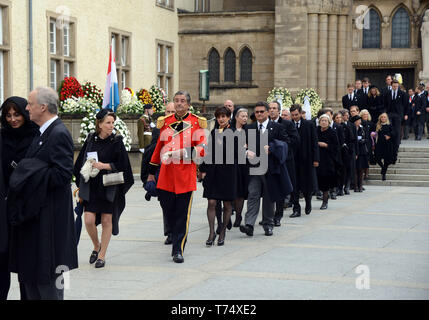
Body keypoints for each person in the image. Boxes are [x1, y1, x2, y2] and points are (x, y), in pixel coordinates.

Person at [7, 87, 78, 300]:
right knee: (34, 281)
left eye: (30, 104)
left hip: (52, 223)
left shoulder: (59, 133)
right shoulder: (42, 132)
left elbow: (63, 175)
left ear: (43, 107)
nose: (27, 108)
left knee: (51, 282)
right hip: (38, 221)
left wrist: (28, 172)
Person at [147, 91, 207, 263]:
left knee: (182, 214)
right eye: (176, 101)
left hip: (185, 176)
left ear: (188, 104)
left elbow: (202, 149)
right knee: (169, 211)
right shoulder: (165, 122)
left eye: (182, 101)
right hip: (166, 176)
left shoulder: (196, 123)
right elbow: (158, 148)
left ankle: (178, 249)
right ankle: (173, 236)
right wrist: (151, 173)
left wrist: (184, 153)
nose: (179, 104)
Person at [73, 109, 134, 269]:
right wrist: (83, 175)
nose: (111, 126)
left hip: (109, 186)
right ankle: (96, 245)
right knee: (88, 220)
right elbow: (80, 161)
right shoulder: (91, 139)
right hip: (92, 185)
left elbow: (124, 166)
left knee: (107, 221)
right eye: (108, 122)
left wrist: (104, 166)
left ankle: (102, 255)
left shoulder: (117, 141)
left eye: (113, 122)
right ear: (99, 124)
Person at [0, 97, 38, 300]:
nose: (13, 119)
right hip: (4, 208)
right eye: (8, 115)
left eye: (17, 115)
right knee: (2, 261)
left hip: (25, 209)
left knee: (25, 265)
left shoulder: (35, 137)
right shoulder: (2, 137)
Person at [240, 102, 291, 237]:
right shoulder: (249, 128)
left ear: (268, 112)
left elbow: (286, 144)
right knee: (253, 195)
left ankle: (268, 224)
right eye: (257, 112)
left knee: (269, 197)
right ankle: (249, 224)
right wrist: (245, 151)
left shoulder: (278, 127)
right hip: (254, 168)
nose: (259, 114)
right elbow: (240, 145)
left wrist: (273, 148)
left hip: (271, 169)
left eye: (262, 111)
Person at [199, 107, 237, 246]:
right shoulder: (214, 132)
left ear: (228, 117)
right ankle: (211, 232)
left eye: (223, 116)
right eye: (219, 117)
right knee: (211, 202)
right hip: (213, 171)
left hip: (228, 173)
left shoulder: (234, 132)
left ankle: (222, 233)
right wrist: (202, 169)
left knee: (227, 204)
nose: (221, 119)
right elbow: (207, 151)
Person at [141, 102, 175, 245]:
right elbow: (151, 151)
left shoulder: (185, 128)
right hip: (162, 172)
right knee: (165, 203)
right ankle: (170, 232)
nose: (169, 114)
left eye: (172, 111)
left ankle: (177, 231)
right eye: (167, 111)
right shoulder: (158, 130)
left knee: (178, 205)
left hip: (178, 172)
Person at [268, 101, 300, 225]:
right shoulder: (265, 124)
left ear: (279, 110)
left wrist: (279, 146)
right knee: (272, 187)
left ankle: (282, 213)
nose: (271, 111)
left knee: (288, 185)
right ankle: (270, 215)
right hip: (270, 161)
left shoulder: (287, 123)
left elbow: (295, 140)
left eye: (274, 108)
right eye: (270, 108)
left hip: (285, 160)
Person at [289, 104, 320, 218]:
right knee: (294, 185)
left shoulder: (309, 125)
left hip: (307, 159)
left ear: (301, 113)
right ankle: (296, 208)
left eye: (296, 115)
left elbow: (314, 142)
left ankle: (308, 202)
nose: (295, 117)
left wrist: (316, 159)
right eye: (292, 115)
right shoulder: (289, 125)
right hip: (293, 160)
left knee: (307, 184)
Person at [230, 108, 249, 228]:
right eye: (242, 116)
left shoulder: (249, 130)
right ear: (236, 117)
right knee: (231, 190)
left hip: (244, 165)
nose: (245, 118)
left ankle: (238, 215)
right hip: (231, 163)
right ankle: (228, 213)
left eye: (246, 116)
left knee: (241, 192)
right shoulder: (230, 130)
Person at [316, 114, 340, 210]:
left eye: (325, 121)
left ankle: (325, 201)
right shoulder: (316, 131)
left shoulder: (332, 132)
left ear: (329, 122)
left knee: (325, 182)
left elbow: (336, 147)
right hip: (317, 158)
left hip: (327, 160)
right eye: (322, 120)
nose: (323, 122)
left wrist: (326, 145)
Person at [384, 79, 406, 162]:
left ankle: (396, 144)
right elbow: (385, 103)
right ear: (391, 85)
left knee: (397, 130)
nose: (395, 87)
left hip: (398, 114)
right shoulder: (387, 93)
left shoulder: (402, 94)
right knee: (389, 129)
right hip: (389, 114)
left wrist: (405, 114)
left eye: (396, 86)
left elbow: (405, 104)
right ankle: (389, 143)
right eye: (394, 86)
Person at [375, 113, 395, 181]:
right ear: (380, 118)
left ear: (386, 118)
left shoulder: (389, 125)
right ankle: (383, 168)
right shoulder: (378, 125)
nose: (383, 118)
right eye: (382, 117)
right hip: (379, 144)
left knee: (386, 160)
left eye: (384, 117)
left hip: (387, 145)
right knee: (377, 158)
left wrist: (389, 135)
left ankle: (384, 174)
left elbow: (394, 133)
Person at [351, 115, 369, 192]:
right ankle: (355, 186)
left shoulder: (362, 129)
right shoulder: (352, 128)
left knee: (361, 169)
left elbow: (366, 138)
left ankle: (360, 185)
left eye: (360, 120)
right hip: (355, 150)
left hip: (362, 150)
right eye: (358, 121)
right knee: (355, 169)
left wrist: (362, 141)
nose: (359, 122)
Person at [360, 109, 376, 175]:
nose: (365, 115)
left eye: (366, 114)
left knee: (368, 157)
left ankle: (367, 172)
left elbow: (374, 132)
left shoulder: (371, 123)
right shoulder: (360, 123)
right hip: (362, 141)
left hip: (369, 142)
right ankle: (362, 172)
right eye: (364, 114)